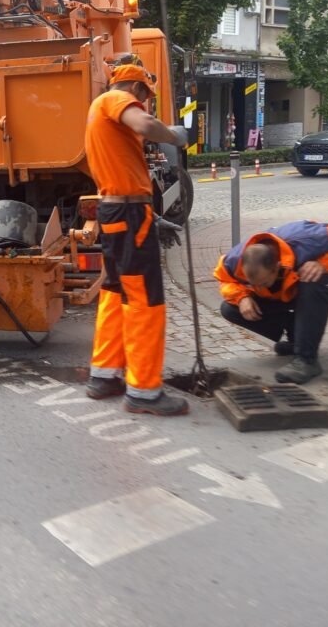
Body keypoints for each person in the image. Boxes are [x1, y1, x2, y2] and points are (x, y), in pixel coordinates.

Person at [84, 63, 190, 415]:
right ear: (135, 88)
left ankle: (104, 376)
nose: (144, 104)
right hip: (128, 213)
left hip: (115, 211)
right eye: (144, 96)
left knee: (115, 291)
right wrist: (173, 135)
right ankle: (144, 391)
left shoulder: (100, 109)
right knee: (145, 298)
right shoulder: (115, 99)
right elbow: (144, 124)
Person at [213, 220, 328, 383]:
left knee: (310, 280)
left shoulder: (309, 239)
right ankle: (298, 338)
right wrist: (242, 297)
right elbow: (225, 279)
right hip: (289, 289)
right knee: (230, 308)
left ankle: (307, 360)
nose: (257, 288)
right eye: (253, 284)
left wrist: (323, 264)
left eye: (263, 283)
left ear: (277, 266)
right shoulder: (234, 260)